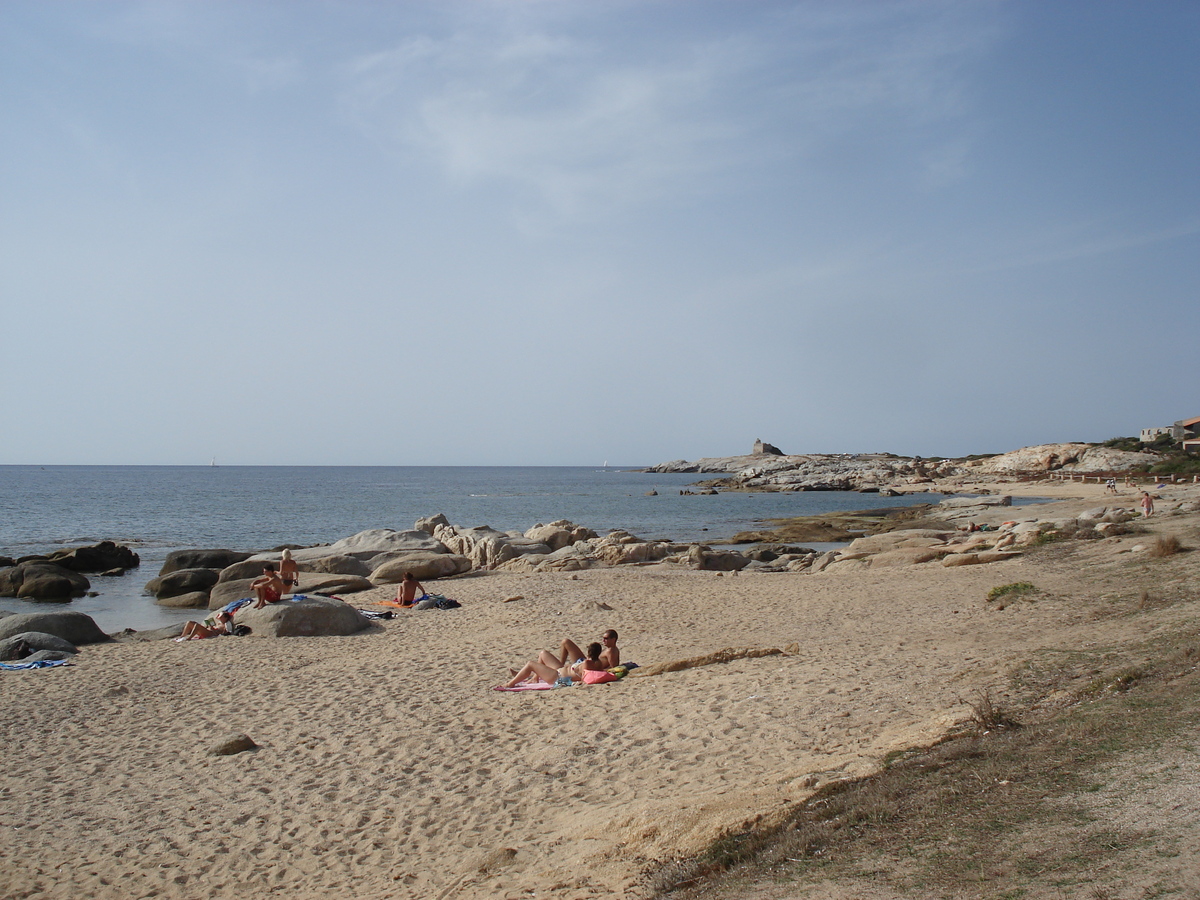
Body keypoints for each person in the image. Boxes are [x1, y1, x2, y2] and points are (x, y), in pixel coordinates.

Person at [538, 629, 619, 673]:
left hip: (587, 665)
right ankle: (560, 665)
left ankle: (560, 667)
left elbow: (613, 668)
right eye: (603, 638)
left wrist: (597, 670)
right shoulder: (609, 649)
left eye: (606, 639)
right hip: (587, 662)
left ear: (613, 639)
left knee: (565, 642)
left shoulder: (611, 651)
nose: (603, 640)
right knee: (565, 642)